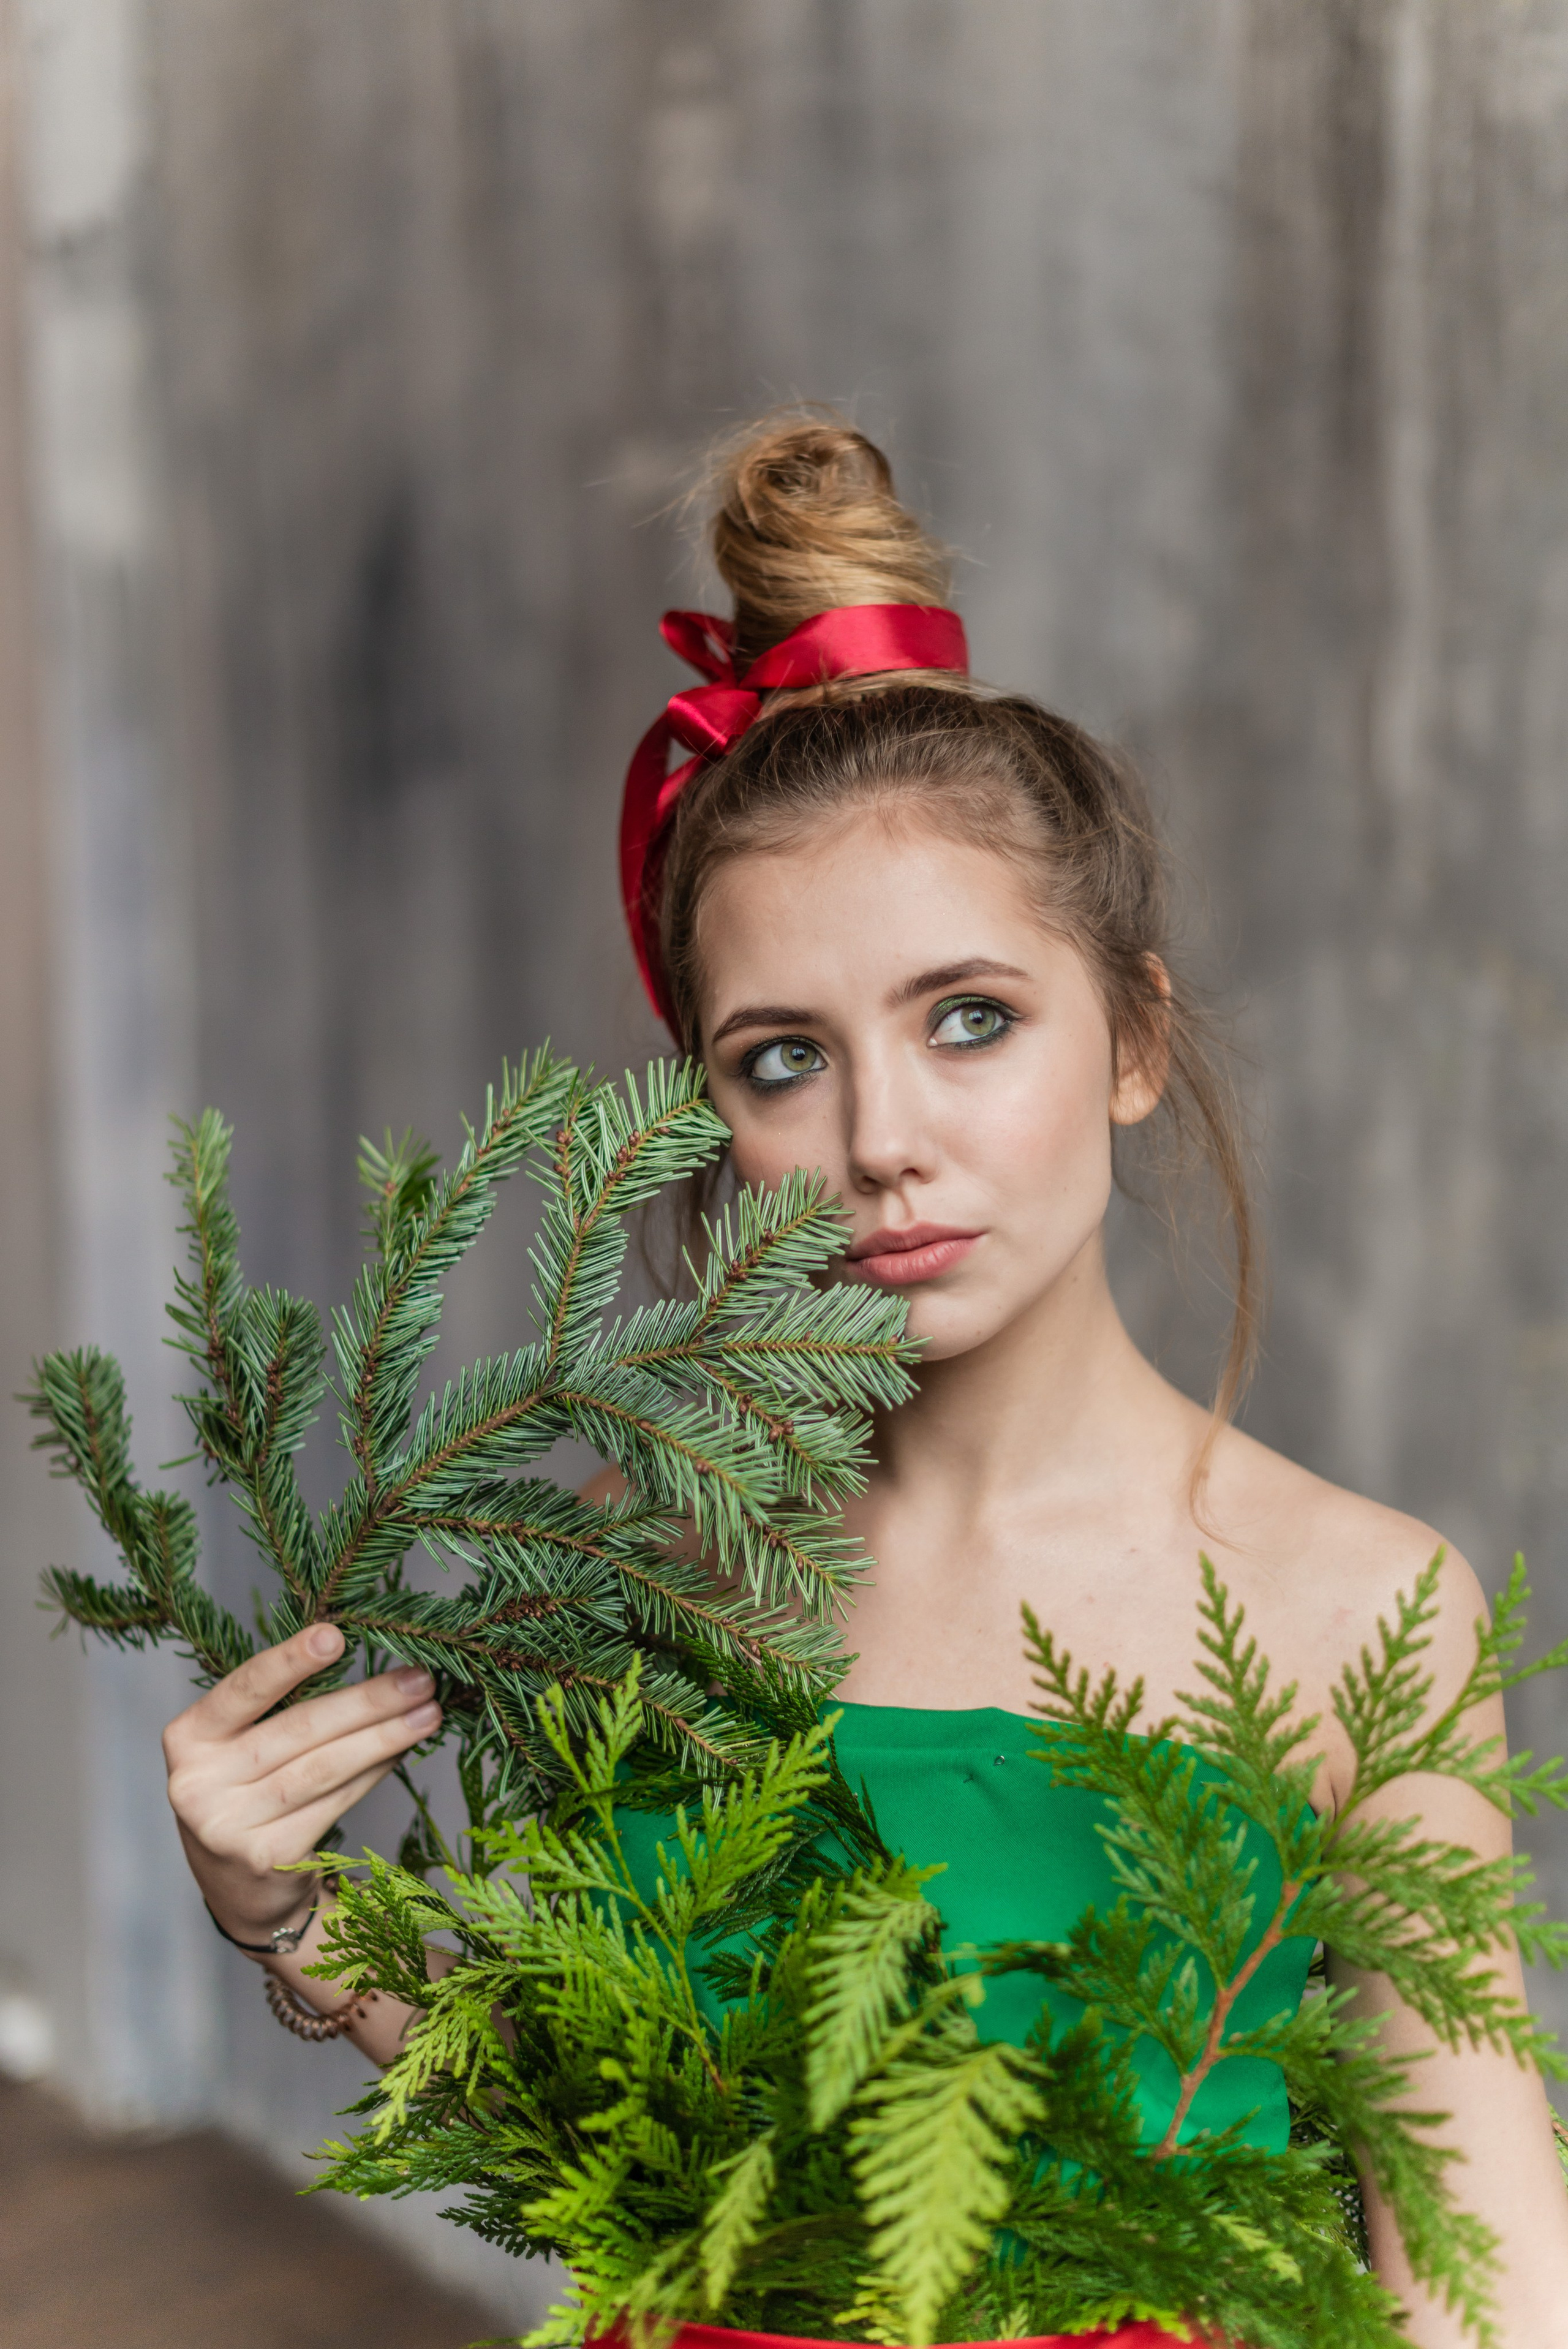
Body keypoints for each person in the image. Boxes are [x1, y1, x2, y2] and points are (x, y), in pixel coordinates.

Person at [162, 412, 1568, 2343]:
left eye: (969, 1019)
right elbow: (600, 2144)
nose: (884, 1135)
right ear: (713, 1114)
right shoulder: (627, 1581)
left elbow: (1484, 2282)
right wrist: (304, 1925)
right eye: (782, 1058)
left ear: (1133, 1039)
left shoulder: (1356, 1611)